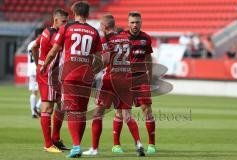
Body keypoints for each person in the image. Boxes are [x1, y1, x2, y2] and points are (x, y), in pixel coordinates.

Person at [41, 1, 102, 158]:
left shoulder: (66, 28)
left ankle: (76, 147)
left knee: (72, 111)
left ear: (74, 12)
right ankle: (77, 145)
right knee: (81, 112)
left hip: (69, 75)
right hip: (86, 76)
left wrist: (44, 65)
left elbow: (54, 51)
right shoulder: (94, 32)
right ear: (88, 14)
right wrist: (93, 71)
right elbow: (102, 58)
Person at [83, 14, 145, 157]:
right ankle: (139, 143)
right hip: (126, 79)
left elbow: (104, 60)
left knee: (98, 113)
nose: (100, 28)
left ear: (104, 27)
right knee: (127, 115)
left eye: (100, 26)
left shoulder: (106, 39)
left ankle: (94, 149)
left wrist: (91, 72)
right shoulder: (125, 38)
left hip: (110, 80)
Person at [112, 11, 156, 154]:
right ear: (128, 23)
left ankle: (151, 145)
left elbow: (148, 58)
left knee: (147, 110)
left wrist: (150, 76)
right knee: (120, 112)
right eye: (132, 22)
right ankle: (116, 144)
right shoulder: (121, 37)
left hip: (141, 78)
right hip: (123, 79)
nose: (135, 25)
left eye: (137, 22)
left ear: (141, 22)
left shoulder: (146, 38)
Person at [31, 8, 69, 153]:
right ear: (56, 20)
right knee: (48, 108)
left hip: (50, 72)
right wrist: (43, 66)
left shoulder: (45, 32)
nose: (65, 25)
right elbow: (54, 51)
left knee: (61, 106)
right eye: (63, 22)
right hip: (49, 73)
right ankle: (48, 144)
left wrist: (38, 64)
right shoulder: (55, 35)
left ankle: (55, 139)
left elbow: (34, 46)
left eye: (67, 22)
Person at [27, 27, 44, 118]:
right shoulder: (41, 43)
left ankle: (33, 112)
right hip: (38, 68)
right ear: (39, 35)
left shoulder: (30, 44)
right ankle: (37, 107)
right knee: (45, 91)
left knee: (34, 92)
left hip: (30, 70)